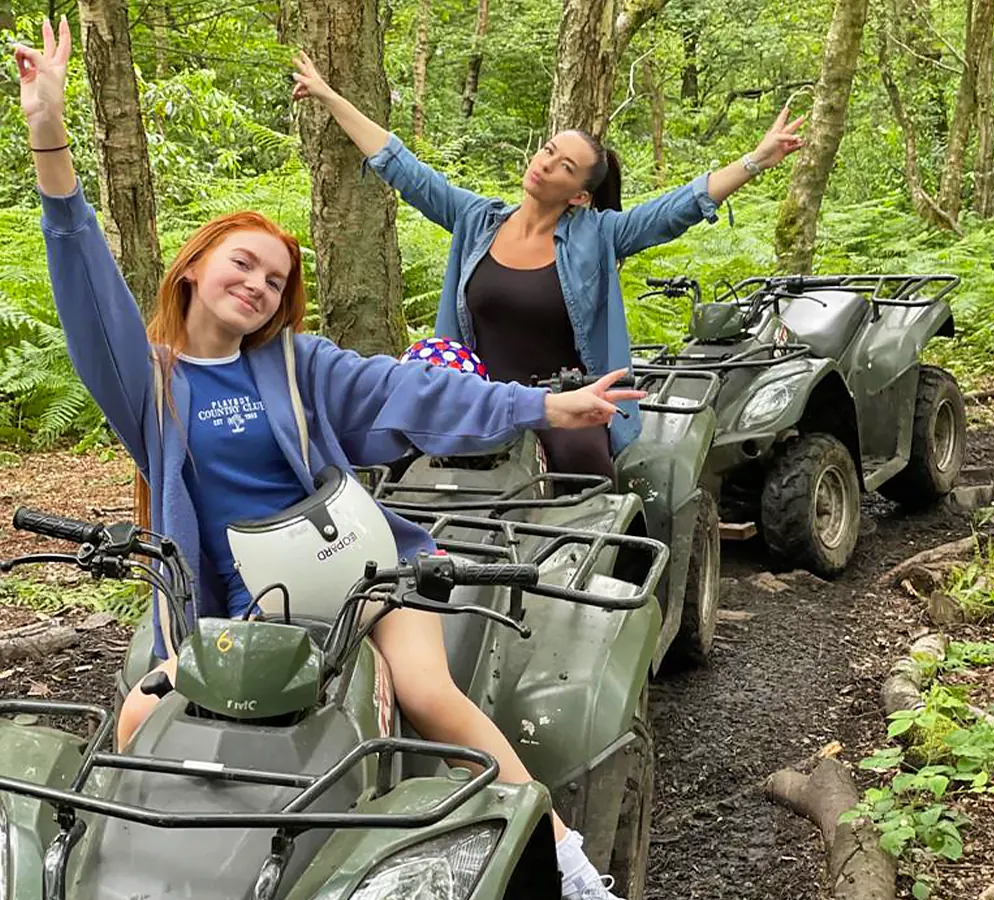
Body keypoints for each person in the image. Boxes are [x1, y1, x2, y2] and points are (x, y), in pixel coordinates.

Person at [14, 18, 644, 900]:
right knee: (138, 714)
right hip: (232, 606)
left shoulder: (298, 365)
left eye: (275, 280)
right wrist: (49, 131)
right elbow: (81, 272)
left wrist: (542, 403)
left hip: (360, 573)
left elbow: (414, 392)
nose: (259, 286)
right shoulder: (145, 379)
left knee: (423, 694)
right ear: (193, 269)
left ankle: (566, 857)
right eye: (244, 265)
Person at [291, 52, 805, 482]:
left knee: (588, 488)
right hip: (479, 397)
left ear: (580, 195)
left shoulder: (599, 234)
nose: (545, 163)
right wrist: (328, 95)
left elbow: (676, 209)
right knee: (399, 478)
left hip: (568, 402)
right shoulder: (476, 221)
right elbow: (403, 168)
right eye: (548, 150)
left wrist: (756, 159)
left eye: (563, 166)